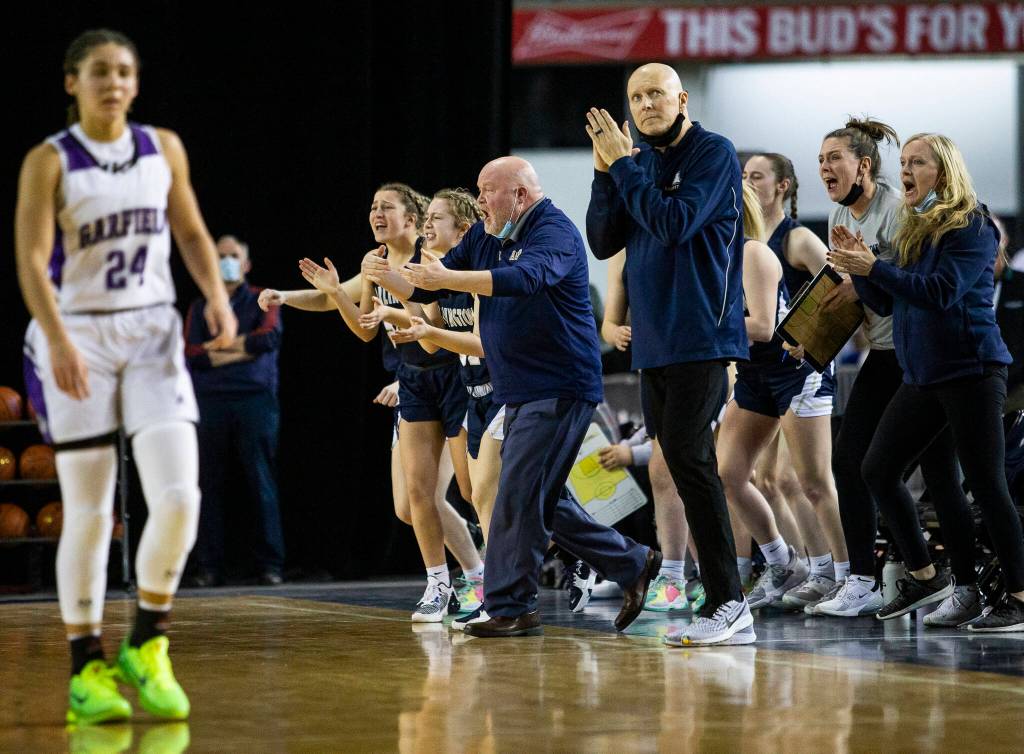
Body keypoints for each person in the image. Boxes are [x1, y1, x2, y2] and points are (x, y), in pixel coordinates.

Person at [16, 29, 237, 724]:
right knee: (89, 508)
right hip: (77, 330)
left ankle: (147, 637)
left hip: (150, 330)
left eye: (124, 72)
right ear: (71, 83)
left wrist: (218, 297)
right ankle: (86, 666)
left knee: (178, 495)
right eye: (100, 72)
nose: (114, 82)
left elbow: (194, 234)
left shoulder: (162, 147)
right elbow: (29, 258)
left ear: (136, 84)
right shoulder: (48, 161)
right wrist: (56, 338)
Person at [396, 156, 660, 637]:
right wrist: (392, 275)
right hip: (520, 390)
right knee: (541, 498)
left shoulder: (554, 231)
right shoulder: (488, 235)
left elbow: (524, 281)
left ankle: (509, 606)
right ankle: (633, 561)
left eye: (485, 191)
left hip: (560, 386)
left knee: (514, 493)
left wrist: (446, 279)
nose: (479, 202)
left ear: (518, 195)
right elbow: (429, 280)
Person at [829, 133, 1024, 631]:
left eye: (918, 163)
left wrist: (874, 267)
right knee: (877, 468)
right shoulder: (916, 230)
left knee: (986, 484)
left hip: (972, 371)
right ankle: (934, 578)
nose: (907, 171)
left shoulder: (971, 225)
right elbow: (893, 303)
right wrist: (863, 269)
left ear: (945, 172)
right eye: (905, 162)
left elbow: (939, 293)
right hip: (924, 377)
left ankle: (1019, 596)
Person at [586, 62, 751, 646]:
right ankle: (718, 596)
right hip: (654, 340)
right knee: (675, 462)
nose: (646, 103)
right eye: (635, 95)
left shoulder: (713, 152)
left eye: (656, 92)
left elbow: (674, 222)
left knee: (688, 456)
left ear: (681, 97)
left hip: (703, 335)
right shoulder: (637, 163)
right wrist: (606, 171)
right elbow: (603, 240)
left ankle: (730, 601)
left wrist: (626, 166)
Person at [808, 119, 976, 622]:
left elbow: (906, 285)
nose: (825, 168)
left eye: (834, 157)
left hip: (915, 356)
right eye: (820, 159)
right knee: (861, 464)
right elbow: (853, 293)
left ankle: (936, 578)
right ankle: (891, 575)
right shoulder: (841, 213)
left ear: (863, 165)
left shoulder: (898, 213)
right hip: (886, 353)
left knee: (933, 474)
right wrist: (813, 335)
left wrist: (864, 278)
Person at [299, 184, 482, 621]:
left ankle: (529, 560)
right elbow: (365, 328)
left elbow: (428, 327)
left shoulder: (433, 258)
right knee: (415, 498)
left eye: (386, 206)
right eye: (372, 207)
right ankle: (441, 582)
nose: (376, 213)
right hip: (415, 382)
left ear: (413, 217)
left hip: (454, 378)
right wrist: (330, 291)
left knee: (475, 490)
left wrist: (390, 299)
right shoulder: (377, 262)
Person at [741, 153, 848, 611]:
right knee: (765, 479)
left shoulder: (796, 238)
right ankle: (803, 566)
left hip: (799, 370)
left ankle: (842, 571)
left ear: (782, 186)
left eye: (758, 176)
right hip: (760, 373)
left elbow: (841, 289)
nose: (748, 183)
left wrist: (813, 341)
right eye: (743, 176)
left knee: (798, 479)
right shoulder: (743, 241)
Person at [598, 249, 705, 614]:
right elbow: (608, 326)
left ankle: (710, 575)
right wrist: (617, 332)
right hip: (652, 363)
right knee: (663, 471)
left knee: (691, 468)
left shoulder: (683, 226)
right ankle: (675, 575)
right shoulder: (624, 251)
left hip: (696, 358)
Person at [184, 235, 286, 586]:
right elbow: (192, 355)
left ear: (245, 264)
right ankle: (208, 566)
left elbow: (267, 339)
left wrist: (222, 347)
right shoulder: (201, 307)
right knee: (207, 483)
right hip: (210, 402)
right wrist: (241, 348)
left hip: (254, 400)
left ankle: (270, 564)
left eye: (232, 256)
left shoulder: (264, 300)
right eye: (220, 256)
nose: (226, 261)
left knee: (260, 480)